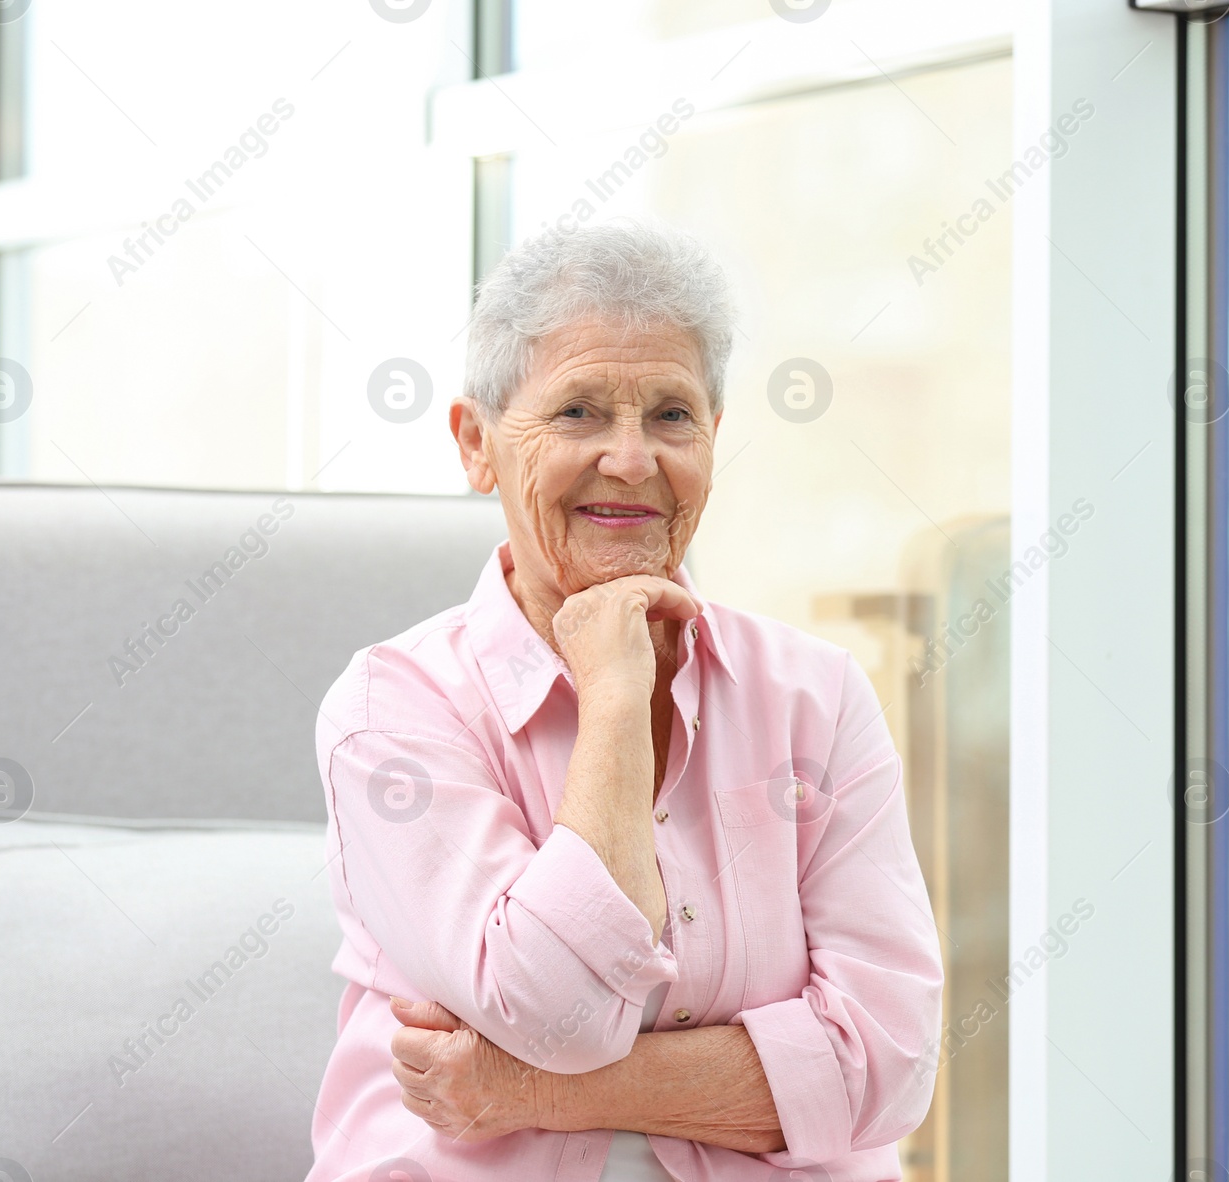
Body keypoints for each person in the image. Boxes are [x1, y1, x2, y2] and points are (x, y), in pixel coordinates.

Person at [304, 219, 942, 1181]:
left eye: (673, 416)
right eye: (578, 414)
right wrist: (611, 696)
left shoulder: (815, 696)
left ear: (714, 442)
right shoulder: (390, 710)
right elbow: (554, 1009)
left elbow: (887, 1063)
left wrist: (531, 1091)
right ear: (476, 444)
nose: (634, 459)